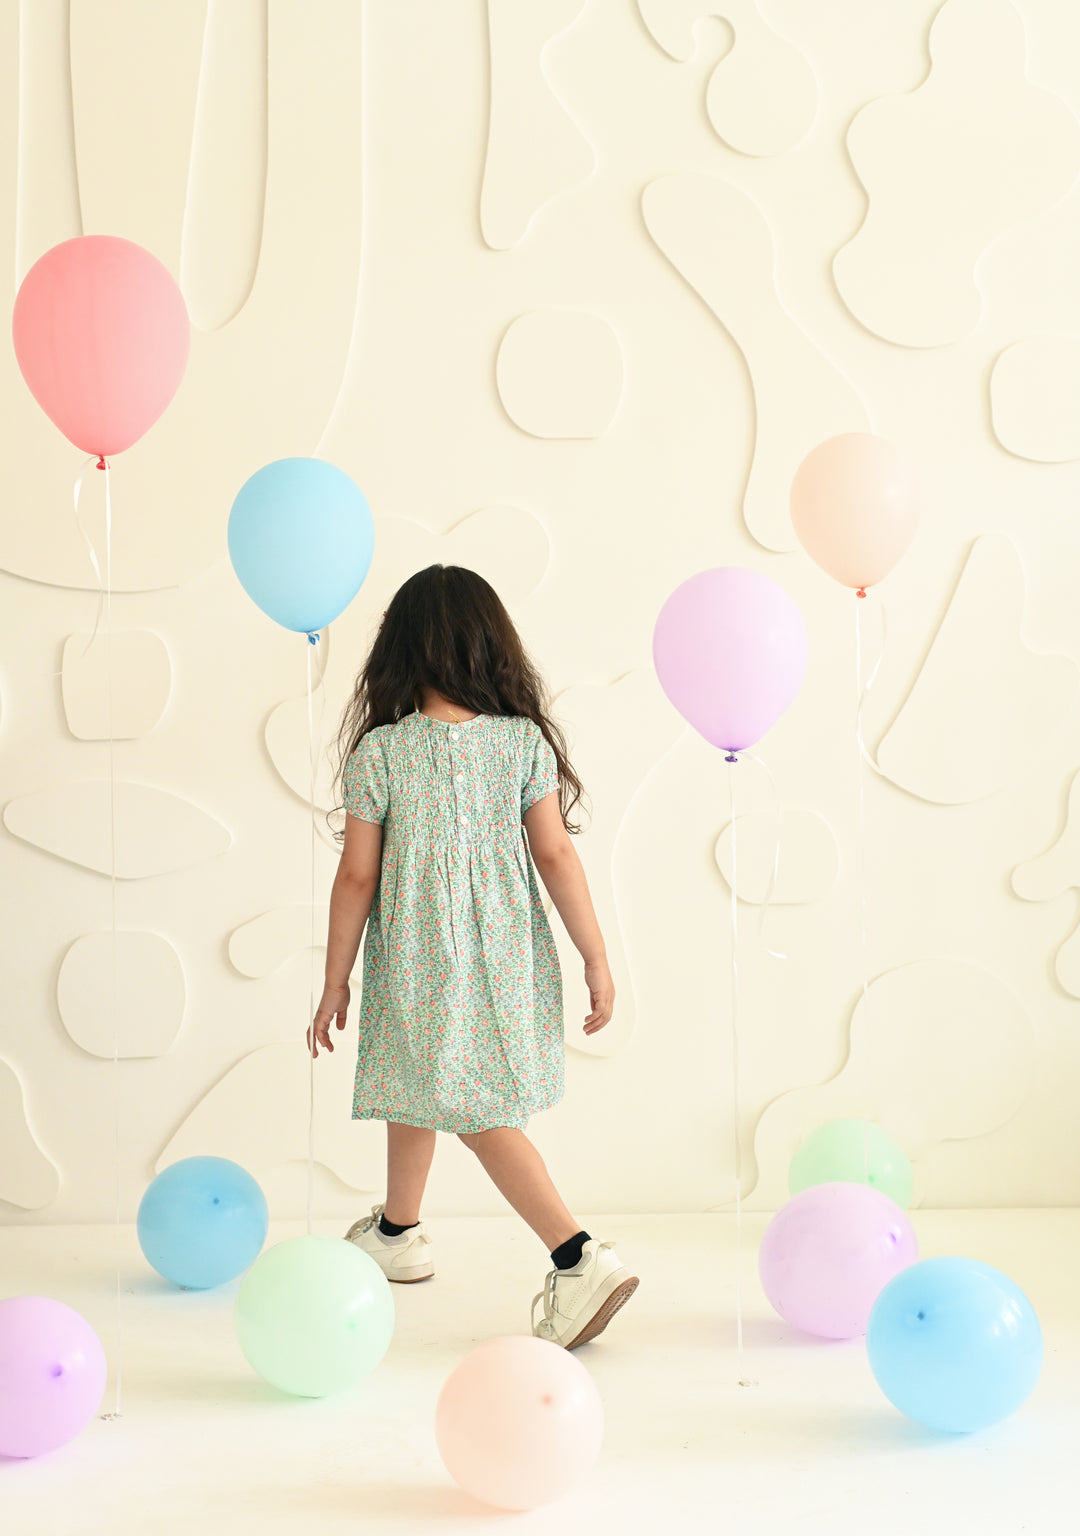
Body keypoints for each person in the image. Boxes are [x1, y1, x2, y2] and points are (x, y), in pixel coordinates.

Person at [308, 564, 638, 1349]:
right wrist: (594, 955)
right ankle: (397, 1232)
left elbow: (357, 874)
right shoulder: (522, 743)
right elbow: (557, 856)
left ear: (400, 654)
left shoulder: (382, 754)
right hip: (508, 956)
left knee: (471, 1104)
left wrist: (335, 978)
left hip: (423, 956)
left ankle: (577, 1255)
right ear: (493, 649)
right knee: (415, 1077)